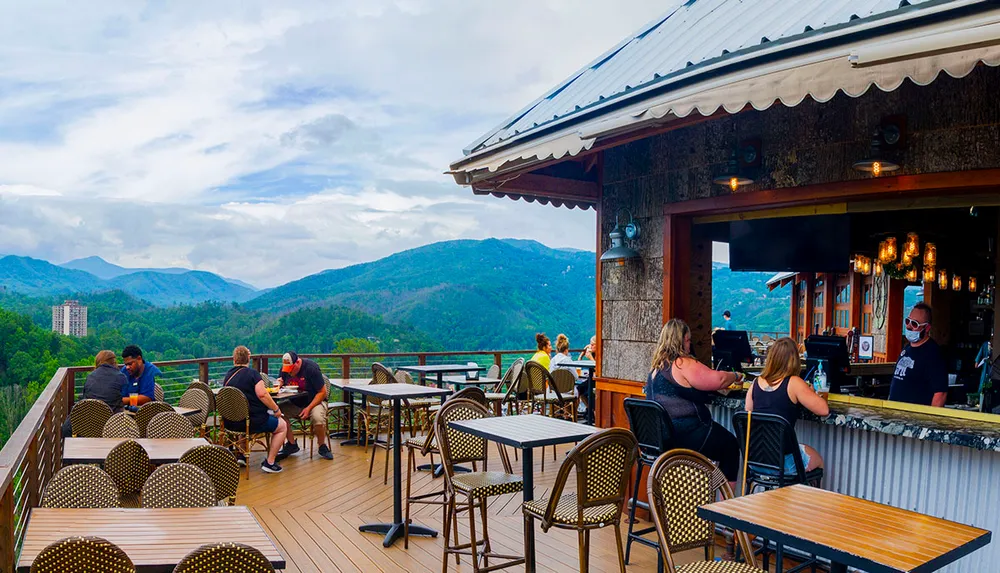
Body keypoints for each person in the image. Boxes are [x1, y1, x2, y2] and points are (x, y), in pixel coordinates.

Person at [645, 318, 743, 484]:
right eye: (688, 340)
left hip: (660, 438)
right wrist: (736, 375)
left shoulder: (657, 367)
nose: (690, 345)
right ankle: (725, 505)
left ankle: (699, 493)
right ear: (679, 341)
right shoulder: (682, 363)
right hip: (686, 435)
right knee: (730, 446)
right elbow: (718, 379)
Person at [745, 337, 828, 474]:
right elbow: (823, 410)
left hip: (755, 461)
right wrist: (811, 392)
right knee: (817, 460)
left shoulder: (755, 383)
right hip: (782, 463)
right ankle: (797, 495)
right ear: (794, 360)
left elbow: (747, 414)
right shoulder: (794, 382)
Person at [222, 346, 290, 473]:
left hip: (231, 422)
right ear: (248, 359)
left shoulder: (228, 376)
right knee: (282, 426)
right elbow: (262, 394)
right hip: (252, 422)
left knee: (242, 416)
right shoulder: (253, 374)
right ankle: (270, 462)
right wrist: (276, 409)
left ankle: (242, 455)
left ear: (234, 359)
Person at [889, 302, 948, 407]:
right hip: (896, 416)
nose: (909, 327)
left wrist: (930, 419)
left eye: (915, 324)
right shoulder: (906, 349)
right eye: (908, 321)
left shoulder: (933, 354)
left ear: (927, 328)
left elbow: (940, 393)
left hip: (915, 419)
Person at [277, 352, 333, 461]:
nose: (290, 373)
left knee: (318, 418)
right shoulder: (284, 370)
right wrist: (279, 384)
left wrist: (309, 408)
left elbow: (322, 392)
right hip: (296, 402)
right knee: (278, 412)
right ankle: (291, 444)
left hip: (315, 401)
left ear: (297, 362)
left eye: (292, 369)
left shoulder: (311, 368)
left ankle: (322, 446)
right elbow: (281, 384)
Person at [61, 350, 128, 437]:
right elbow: (124, 398)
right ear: (114, 362)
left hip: (89, 422)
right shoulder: (121, 377)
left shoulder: (90, 376)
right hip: (112, 424)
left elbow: (85, 398)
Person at [120, 345, 159, 410]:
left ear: (139, 359)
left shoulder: (150, 371)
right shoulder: (124, 371)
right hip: (126, 412)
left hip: (145, 412)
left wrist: (124, 400)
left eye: (130, 364)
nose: (127, 367)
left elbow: (146, 398)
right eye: (126, 364)